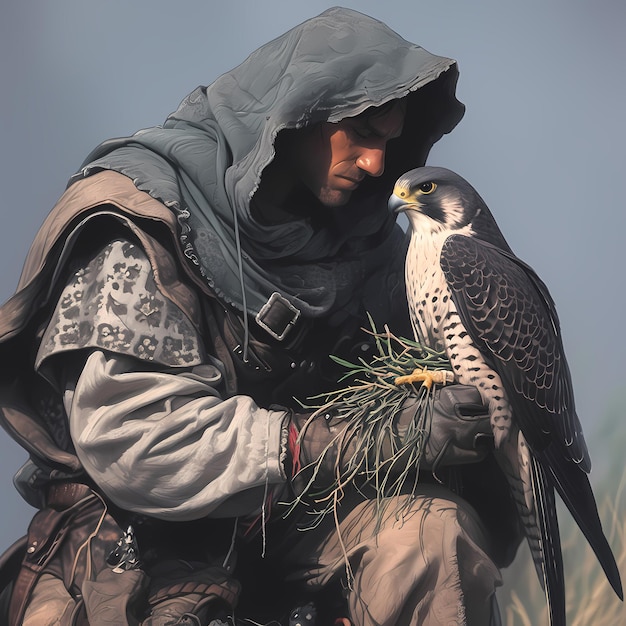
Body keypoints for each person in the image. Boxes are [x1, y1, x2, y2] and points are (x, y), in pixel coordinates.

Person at [0, 7, 521, 626]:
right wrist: (350, 440)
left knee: (429, 539)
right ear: (297, 116)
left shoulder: (369, 239)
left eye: (389, 140)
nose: (378, 166)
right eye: (362, 135)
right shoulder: (143, 227)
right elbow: (135, 444)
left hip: (292, 519)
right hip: (138, 538)